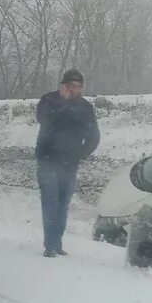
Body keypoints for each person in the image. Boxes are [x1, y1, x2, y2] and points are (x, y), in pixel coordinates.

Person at [35, 69, 99, 257]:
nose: (75, 90)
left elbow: (94, 135)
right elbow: (43, 119)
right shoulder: (49, 101)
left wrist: (81, 154)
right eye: (72, 86)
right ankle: (49, 245)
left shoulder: (85, 107)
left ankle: (58, 243)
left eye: (79, 86)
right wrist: (62, 102)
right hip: (47, 161)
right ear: (63, 85)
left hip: (70, 164)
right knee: (50, 203)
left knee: (63, 205)